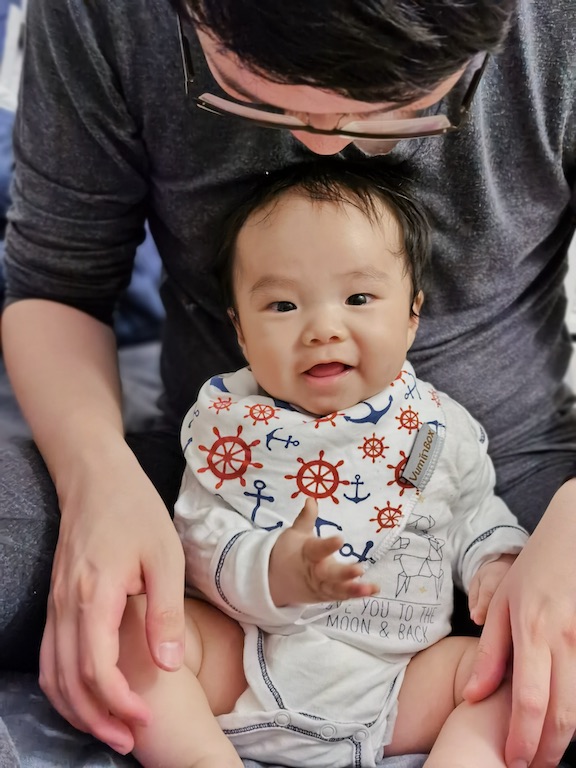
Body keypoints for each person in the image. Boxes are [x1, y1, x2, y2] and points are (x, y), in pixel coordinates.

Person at [0, 0, 575, 766]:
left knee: (518, 688)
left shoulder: (445, 438)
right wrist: (95, 480)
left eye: (399, 108)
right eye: (252, 89)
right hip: (198, 533)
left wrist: (543, 543)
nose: (322, 145)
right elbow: (56, 284)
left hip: (529, 481)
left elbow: (476, 510)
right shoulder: (223, 428)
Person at [117, 161, 531, 768]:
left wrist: (496, 562)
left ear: (412, 313)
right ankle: (201, 757)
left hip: (399, 682)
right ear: (239, 329)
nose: (322, 329)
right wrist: (278, 573)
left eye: (359, 298)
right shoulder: (234, 432)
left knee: (511, 668)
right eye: (282, 306)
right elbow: (201, 542)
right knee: (133, 626)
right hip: (249, 665)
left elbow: (474, 511)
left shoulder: (435, 427)